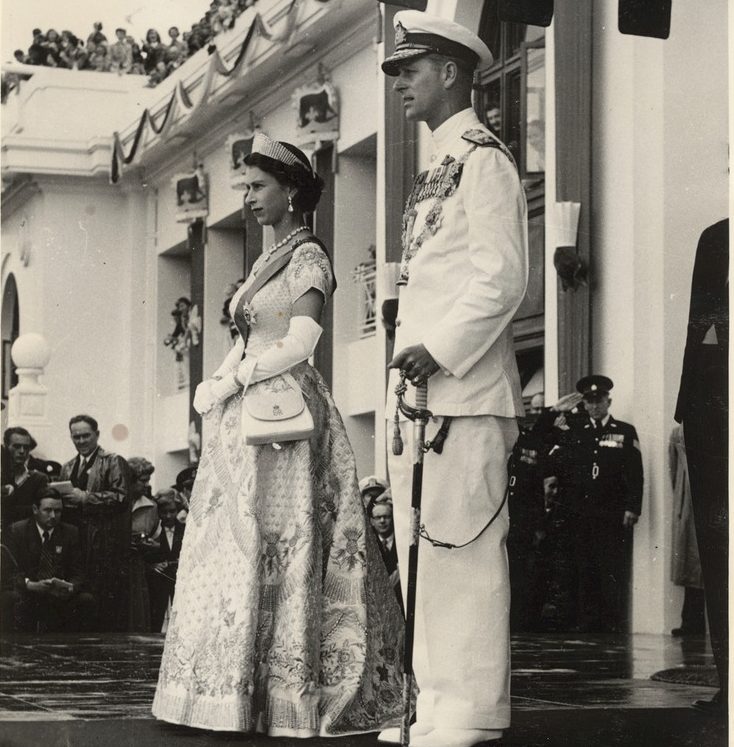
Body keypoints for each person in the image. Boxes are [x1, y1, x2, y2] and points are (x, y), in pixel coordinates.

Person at [152, 132, 408, 736]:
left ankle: (289, 693)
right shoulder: (265, 260)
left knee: (283, 544)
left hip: (288, 417)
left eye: (258, 186)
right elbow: (246, 333)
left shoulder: (309, 256)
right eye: (244, 186)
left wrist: (232, 380)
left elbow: (301, 342)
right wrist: (214, 381)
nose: (248, 197)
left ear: (291, 191)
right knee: (237, 544)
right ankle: (228, 688)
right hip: (249, 409)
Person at [381, 11, 528, 747]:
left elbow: (503, 280)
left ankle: (470, 706)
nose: (401, 81)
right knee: (422, 550)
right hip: (424, 396)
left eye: (412, 68)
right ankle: (433, 699)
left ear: (450, 72)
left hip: (465, 394)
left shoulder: (484, 161)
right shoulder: (437, 166)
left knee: (463, 551)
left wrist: (436, 347)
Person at [674, 218, 728, 715]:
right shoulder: (716, 238)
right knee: (719, 557)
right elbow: (701, 325)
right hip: (714, 413)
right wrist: (688, 410)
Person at [554, 375, 643, 633]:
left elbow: (635, 472)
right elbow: (563, 467)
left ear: (608, 401)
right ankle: (587, 622)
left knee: (611, 567)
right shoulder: (576, 431)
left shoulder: (625, 431)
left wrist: (632, 506)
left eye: (599, 400)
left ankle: (611, 623)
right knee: (585, 566)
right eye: (589, 402)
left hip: (611, 512)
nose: (594, 406)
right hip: (582, 513)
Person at [58, 414, 131, 632]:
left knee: (100, 595)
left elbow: (122, 498)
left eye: (85, 436)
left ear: (97, 435)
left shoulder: (112, 460)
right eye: (76, 437)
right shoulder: (67, 466)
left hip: (102, 542)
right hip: (74, 539)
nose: (81, 441)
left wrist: (86, 497)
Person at [1, 488, 95, 632]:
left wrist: (70, 587)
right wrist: (30, 585)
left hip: (60, 595)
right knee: (10, 598)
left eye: (58, 511)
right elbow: (9, 573)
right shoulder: (17, 531)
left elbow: (79, 572)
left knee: (86, 600)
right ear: (35, 509)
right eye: (48, 510)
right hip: (29, 592)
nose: (53, 516)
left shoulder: (71, 532)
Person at [668, 424, 705, 636]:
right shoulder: (680, 432)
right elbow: (674, 469)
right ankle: (691, 622)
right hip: (690, 502)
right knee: (692, 563)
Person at [145, 490, 185, 632]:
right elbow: (144, 558)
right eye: (164, 512)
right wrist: (153, 566)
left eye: (172, 511)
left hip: (179, 582)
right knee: (156, 617)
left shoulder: (186, 531)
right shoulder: (152, 530)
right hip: (158, 583)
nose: (168, 516)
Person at [1, 427, 49, 530]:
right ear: (6, 447)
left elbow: (42, 512)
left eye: (26, 447)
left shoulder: (39, 479)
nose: (22, 451)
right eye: (16, 446)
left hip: (26, 537)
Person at [368, 490, 403, 613]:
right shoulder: (368, 546)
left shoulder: (402, 544)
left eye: (386, 516)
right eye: (378, 517)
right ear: (372, 521)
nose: (382, 521)